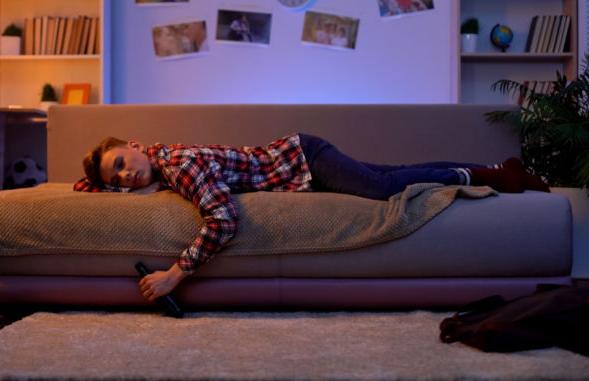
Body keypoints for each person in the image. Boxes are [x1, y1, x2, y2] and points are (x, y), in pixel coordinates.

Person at [75, 134, 550, 303]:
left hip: (306, 158)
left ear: (135, 146)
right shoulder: (160, 161)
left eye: (121, 163)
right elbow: (87, 184)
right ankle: (482, 167)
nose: (125, 177)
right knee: (388, 175)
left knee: (384, 189)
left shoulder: (178, 165)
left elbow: (222, 219)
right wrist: (100, 184)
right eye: (116, 180)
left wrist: (175, 274)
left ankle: (489, 175)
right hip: (299, 165)